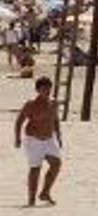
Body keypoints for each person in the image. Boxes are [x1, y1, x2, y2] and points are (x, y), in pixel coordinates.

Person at [13, 76, 63, 206]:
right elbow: (19, 121)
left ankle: (45, 192)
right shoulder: (30, 104)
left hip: (49, 139)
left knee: (56, 164)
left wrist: (59, 136)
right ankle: (31, 199)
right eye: (44, 89)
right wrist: (17, 138)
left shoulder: (54, 103)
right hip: (33, 140)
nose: (47, 91)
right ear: (38, 90)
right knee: (35, 169)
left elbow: (55, 120)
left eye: (49, 88)